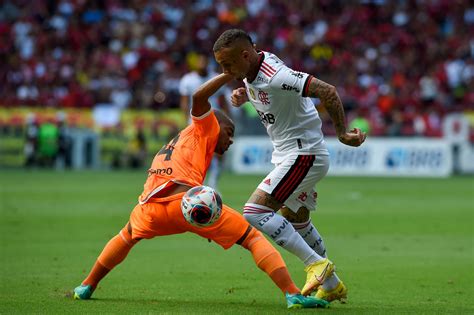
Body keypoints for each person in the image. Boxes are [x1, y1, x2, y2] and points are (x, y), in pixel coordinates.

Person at [73, 73, 329, 309]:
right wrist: (230, 73)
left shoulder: (181, 139)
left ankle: (87, 285)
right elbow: (198, 97)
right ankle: (292, 293)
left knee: (126, 236)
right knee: (252, 238)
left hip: (149, 207)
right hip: (187, 203)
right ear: (216, 124)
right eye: (229, 133)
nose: (230, 140)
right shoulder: (205, 126)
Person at [213, 29, 367, 302]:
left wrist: (342, 133)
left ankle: (316, 264)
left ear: (246, 55)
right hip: (291, 154)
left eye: (228, 64)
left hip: (303, 154)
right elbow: (273, 94)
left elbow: (326, 90)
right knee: (297, 220)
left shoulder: (275, 74)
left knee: (255, 211)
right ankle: (331, 284)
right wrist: (245, 95)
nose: (225, 71)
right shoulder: (254, 70)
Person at [179, 53, 231, 191]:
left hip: (215, 120)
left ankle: (213, 183)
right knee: (196, 153)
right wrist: (185, 120)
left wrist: (227, 118)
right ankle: (195, 183)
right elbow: (184, 103)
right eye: (200, 61)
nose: (202, 64)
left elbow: (223, 101)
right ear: (196, 63)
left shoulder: (215, 77)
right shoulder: (187, 80)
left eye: (204, 61)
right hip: (196, 121)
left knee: (218, 152)